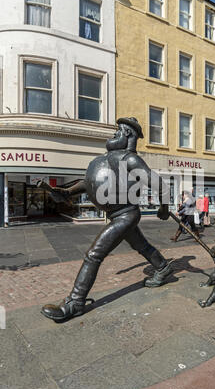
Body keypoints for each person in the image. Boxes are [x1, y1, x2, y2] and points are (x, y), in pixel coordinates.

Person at [41, 117, 173, 322]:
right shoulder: (108, 159)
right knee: (142, 246)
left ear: (128, 134)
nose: (113, 135)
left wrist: (164, 208)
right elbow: (88, 183)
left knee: (94, 254)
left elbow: (159, 184)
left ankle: (75, 303)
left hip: (125, 214)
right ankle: (163, 267)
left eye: (117, 131)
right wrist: (66, 192)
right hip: (118, 215)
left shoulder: (129, 158)